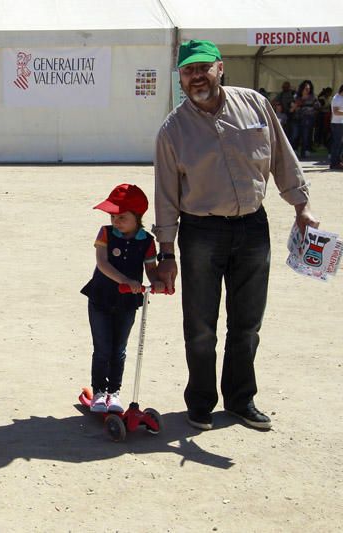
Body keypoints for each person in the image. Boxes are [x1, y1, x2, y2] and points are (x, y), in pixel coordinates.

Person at [154, 40, 319, 432]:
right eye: (188, 71)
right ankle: (200, 403)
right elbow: (165, 196)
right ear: (181, 78)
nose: (197, 77)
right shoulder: (173, 131)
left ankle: (241, 400)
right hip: (200, 232)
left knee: (247, 323)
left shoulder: (255, 105)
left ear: (220, 68)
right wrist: (166, 254)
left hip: (252, 227)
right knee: (200, 326)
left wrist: (301, 206)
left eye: (203, 68)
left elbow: (282, 156)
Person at [80, 184, 163, 413]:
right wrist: (125, 280)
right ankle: (99, 392)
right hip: (101, 298)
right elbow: (102, 263)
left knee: (120, 349)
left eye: (122, 217)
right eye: (113, 216)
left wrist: (157, 281)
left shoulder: (146, 241)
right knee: (103, 348)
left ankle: (113, 393)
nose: (116, 221)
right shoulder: (105, 233)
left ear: (137, 217)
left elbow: (151, 269)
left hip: (127, 303)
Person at [295, 80, 319, 159]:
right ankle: (295, 150)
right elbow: (295, 106)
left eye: (308, 88)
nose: (307, 90)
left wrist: (312, 112)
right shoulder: (297, 96)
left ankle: (304, 152)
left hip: (308, 118)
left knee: (306, 135)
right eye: (306, 88)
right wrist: (302, 98)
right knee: (296, 135)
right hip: (298, 118)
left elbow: (317, 106)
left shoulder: (313, 97)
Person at [330, 84, 343, 170]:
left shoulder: (340, 98)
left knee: (339, 144)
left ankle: (338, 161)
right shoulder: (337, 98)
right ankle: (334, 163)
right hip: (337, 123)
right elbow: (335, 112)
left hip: (340, 123)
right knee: (337, 144)